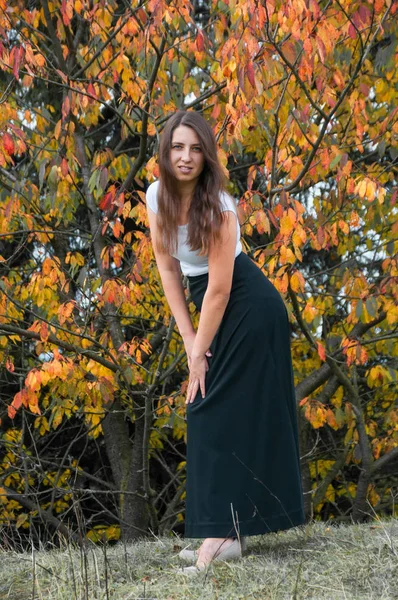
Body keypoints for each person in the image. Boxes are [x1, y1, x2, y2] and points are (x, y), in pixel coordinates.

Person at [145, 110, 305, 573]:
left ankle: (218, 537)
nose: (186, 156)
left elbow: (218, 290)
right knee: (213, 407)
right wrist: (189, 339)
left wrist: (199, 355)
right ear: (166, 152)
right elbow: (167, 269)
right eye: (177, 147)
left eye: (195, 148)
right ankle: (227, 536)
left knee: (210, 406)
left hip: (248, 306)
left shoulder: (219, 208)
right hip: (214, 307)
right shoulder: (157, 197)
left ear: (207, 155)